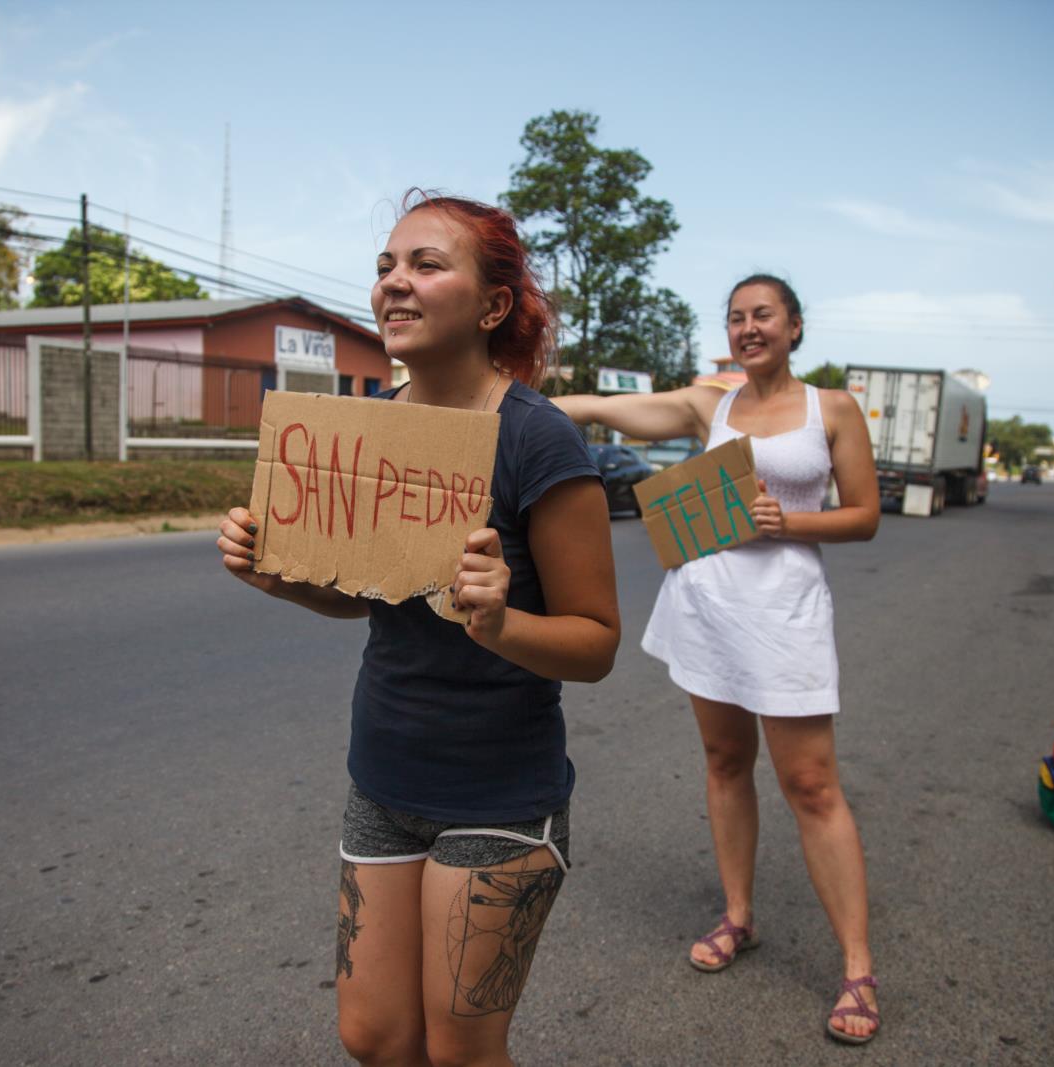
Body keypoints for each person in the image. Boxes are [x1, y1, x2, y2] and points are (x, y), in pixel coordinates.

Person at [217, 191, 620, 1067]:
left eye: (426, 265)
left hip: (500, 799)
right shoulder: (376, 425)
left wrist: (500, 620)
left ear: (492, 306)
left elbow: (596, 642)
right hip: (383, 775)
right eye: (385, 268)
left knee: (462, 1053)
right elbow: (369, 595)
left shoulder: (539, 442)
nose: (395, 285)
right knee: (374, 1036)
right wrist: (280, 579)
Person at [553, 274, 884, 1045]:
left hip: (787, 614)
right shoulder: (713, 403)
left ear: (795, 326)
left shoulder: (831, 409)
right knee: (724, 761)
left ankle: (858, 968)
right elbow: (606, 410)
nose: (748, 327)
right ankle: (739, 915)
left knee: (811, 783)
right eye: (736, 317)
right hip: (708, 605)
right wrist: (505, 399)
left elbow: (865, 517)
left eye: (763, 314)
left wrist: (790, 520)